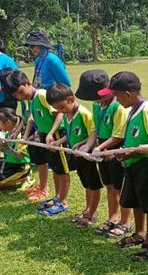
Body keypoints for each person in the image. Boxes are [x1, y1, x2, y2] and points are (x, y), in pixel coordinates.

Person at [98, 71, 148, 262]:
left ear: (127, 94)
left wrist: (132, 152)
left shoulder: (147, 110)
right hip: (132, 165)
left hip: (146, 165)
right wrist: (123, 153)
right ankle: (139, 233)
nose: (116, 100)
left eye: (117, 96)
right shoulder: (132, 110)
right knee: (135, 201)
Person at [0, 70, 70, 210]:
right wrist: (24, 136)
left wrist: (51, 133)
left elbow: (59, 114)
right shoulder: (32, 99)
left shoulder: (42, 95)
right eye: (16, 96)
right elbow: (31, 118)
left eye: (20, 92)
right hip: (46, 136)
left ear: (27, 83)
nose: (20, 97)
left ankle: (63, 201)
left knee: (62, 170)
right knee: (56, 169)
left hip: (56, 136)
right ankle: (57, 198)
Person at [75, 70, 132, 236]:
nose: (94, 101)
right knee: (109, 185)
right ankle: (113, 217)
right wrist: (88, 145)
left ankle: (125, 221)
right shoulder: (97, 105)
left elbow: (118, 134)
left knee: (120, 186)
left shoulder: (118, 106)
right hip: (102, 149)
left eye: (95, 97)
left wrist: (99, 149)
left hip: (115, 150)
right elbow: (94, 128)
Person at [45, 83, 103, 223]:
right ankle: (87, 210)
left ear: (71, 99)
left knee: (93, 185)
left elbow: (93, 133)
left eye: (62, 107)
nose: (61, 111)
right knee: (86, 184)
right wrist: (58, 142)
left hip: (87, 156)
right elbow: (70, 135)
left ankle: (91, 214)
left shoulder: (84, 113)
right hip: (77, 156)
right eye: (57, 108)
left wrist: (85, 146)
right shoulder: (67, 114)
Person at [0, 108, 30, 191]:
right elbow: (3, 152)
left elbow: (21, 157)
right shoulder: (6, 134)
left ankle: (24, 177)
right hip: (8, 163)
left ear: (8, 122)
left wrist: (6, 147)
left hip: (19, 166)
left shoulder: (19, 137)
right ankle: (9, 178)